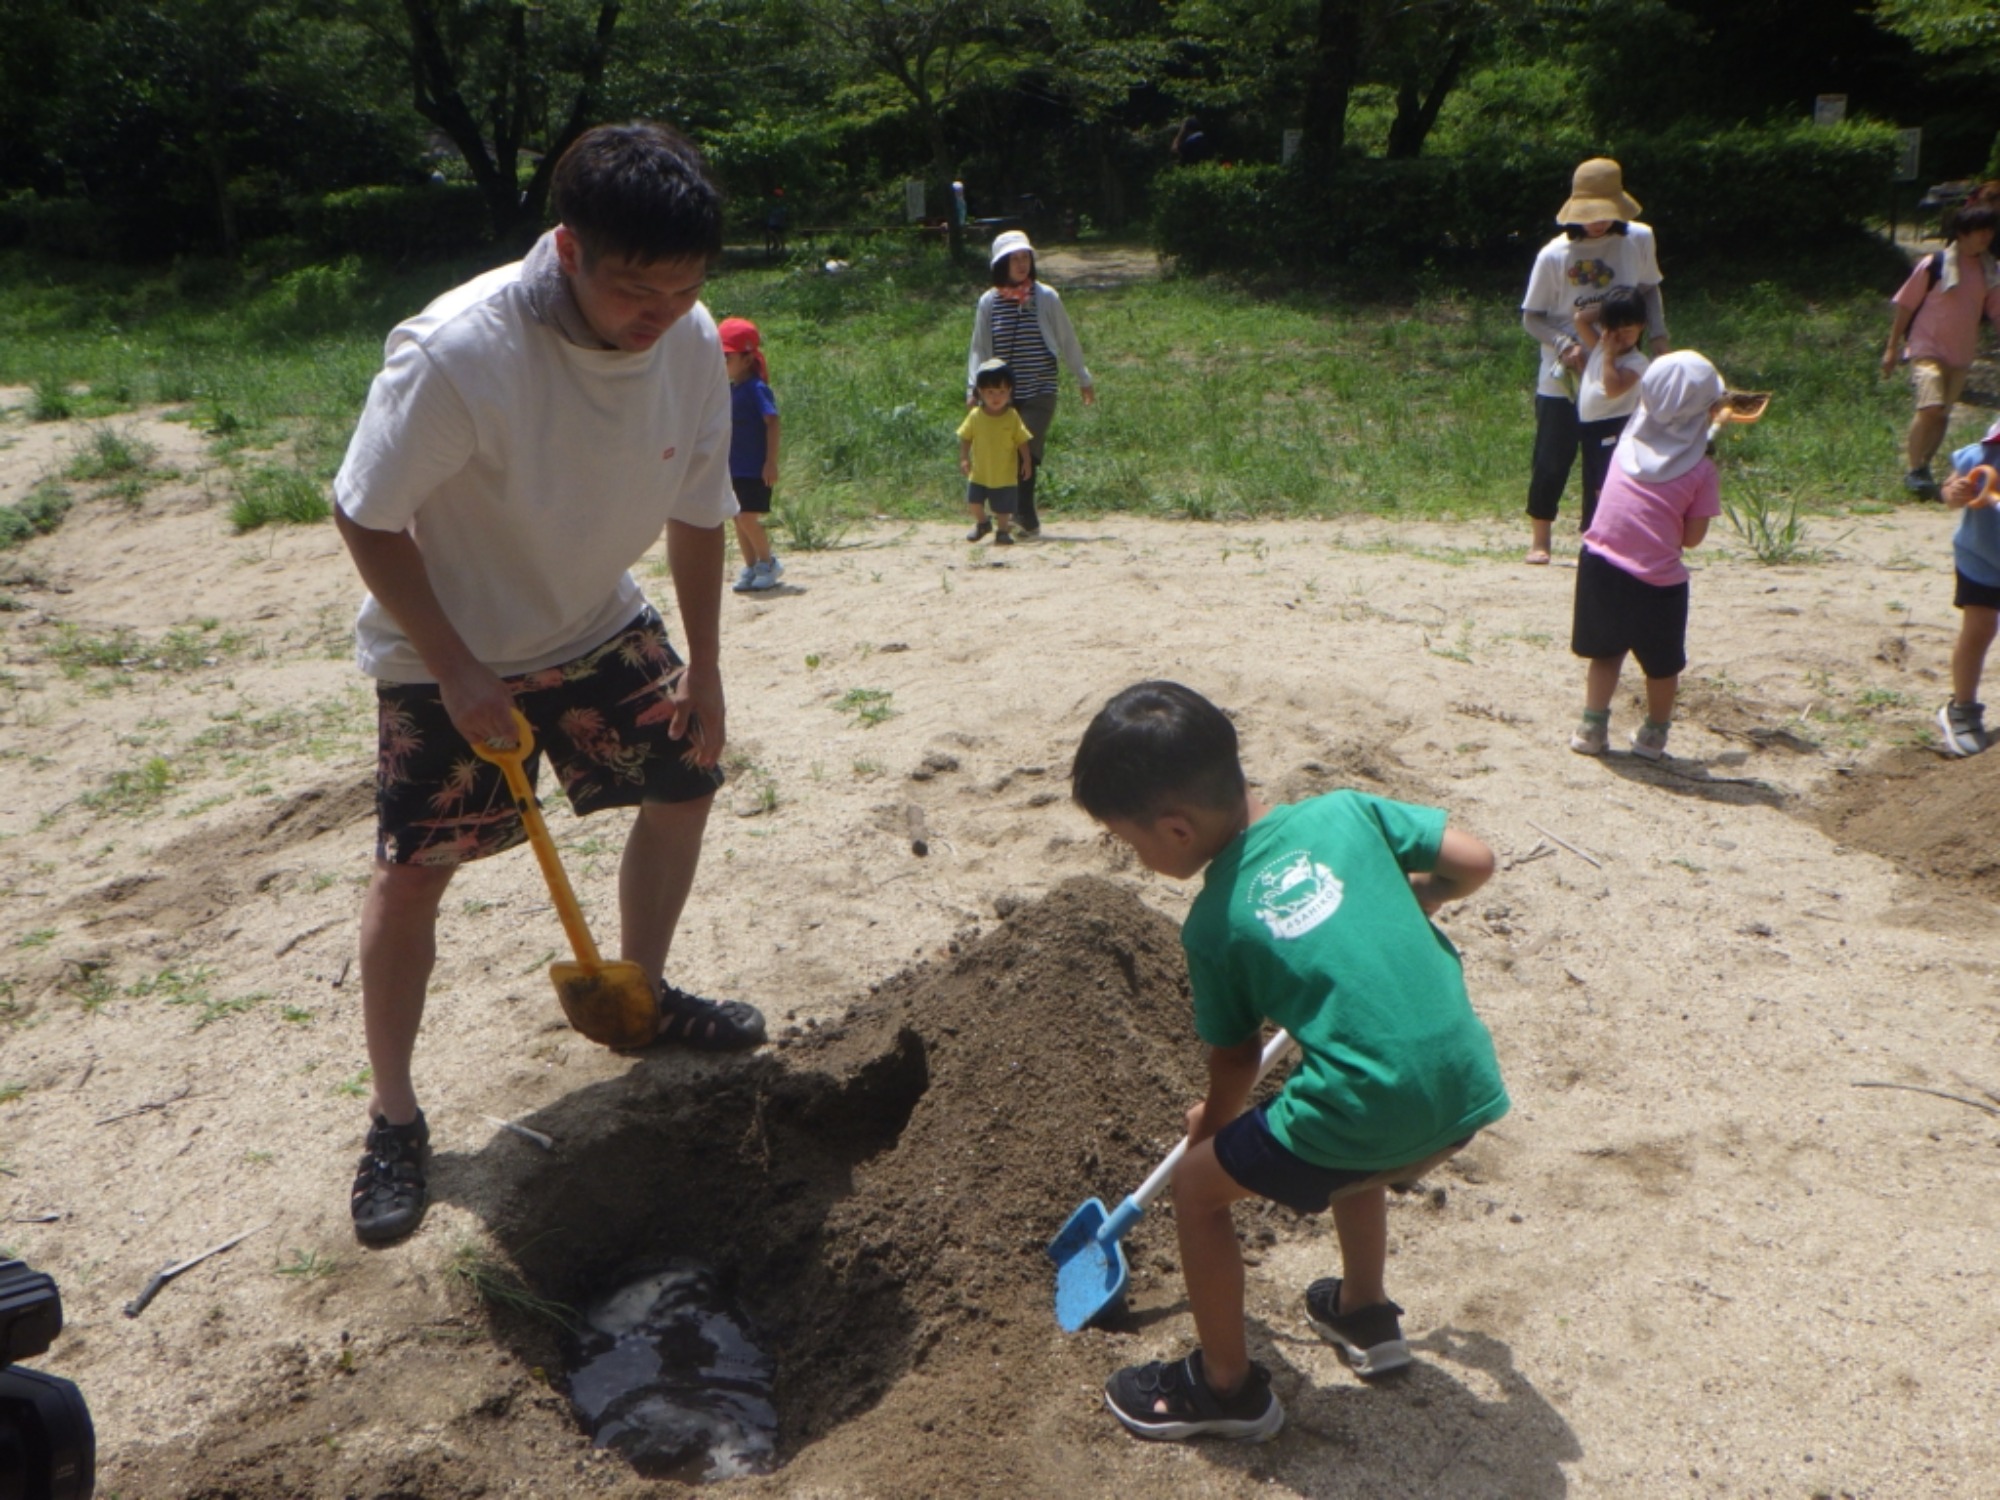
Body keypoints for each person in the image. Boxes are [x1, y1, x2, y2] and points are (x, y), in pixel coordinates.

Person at [332, 121, 767, 1248]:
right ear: (568, 248)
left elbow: (697, 510)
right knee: (414, 873)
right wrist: (459, 669)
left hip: (590, 618)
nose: (660, 312)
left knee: (688, 776)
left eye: (684, 289)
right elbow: (365, 514)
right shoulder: (457, 353)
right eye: (635, 285)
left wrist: (707, 666)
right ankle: (392, 1117)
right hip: (446, 645)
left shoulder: (681, 343)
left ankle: (642, 992)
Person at [1070, 682, 1509, 1443]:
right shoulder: (1345, 810)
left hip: (1370, 1110)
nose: (1135, 858)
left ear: (1176, 830)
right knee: (1347, 1126)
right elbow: (1475, 860)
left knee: (1199, 1190)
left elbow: (1237, 1056)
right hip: (1465, 1091)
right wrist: (1422, 897)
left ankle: (1225, 1389)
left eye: (1130, 843)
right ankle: (1363, 1314)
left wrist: (1210, 1125)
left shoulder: (1214, 923)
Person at [1567, 352, 1729, 761]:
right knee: (1662, 667)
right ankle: (1653, 736)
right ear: (1706, 412)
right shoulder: (1701, 471)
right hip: (1655, 584)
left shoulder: (1627, 441)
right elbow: (1692, 539)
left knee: (1606, 654)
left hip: (1599, 565)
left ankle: (1591, 727)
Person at [1521, 158, 1670, 565]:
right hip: (1565, 373)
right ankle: (1541, 538)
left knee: (1608, 460)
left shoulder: (1638, 239)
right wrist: (1564, 345)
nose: (1599, 223)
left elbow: (1650, 291)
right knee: (1552, 456)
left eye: (1606, 213)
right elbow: (1531, 318)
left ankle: (1599, 535)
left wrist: (1658, 337)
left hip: (1620, 371)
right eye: (1590, 215)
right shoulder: (1555, 255)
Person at [966, 230, 1094, 538]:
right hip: (1000, 395)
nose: (1021, 264)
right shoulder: (989, 302)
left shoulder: (1046, 297)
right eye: (1014, 259)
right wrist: (973, 387)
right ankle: (1017, 515)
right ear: (1001, 264)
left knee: (1028, 448)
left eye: (1025, 257)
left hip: (1040, 389)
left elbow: (1067, 339)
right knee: (1006, 452)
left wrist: (1083, 377)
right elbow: (978, 347)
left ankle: (1026, 514)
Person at [1881, 203, 2000, 501]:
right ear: (1962, 233)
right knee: (1930, 407)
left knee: (1943, 414)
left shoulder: (1991, 271)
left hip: (1960, 354)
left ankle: (1923, 471)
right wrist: (1892, 347)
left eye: (1990, 229)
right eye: (1980, 230)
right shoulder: (1934, 264)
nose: (1987, 235)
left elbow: (1997, 312)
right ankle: (1913, 468)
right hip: (1926, 346)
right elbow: (1906, 305)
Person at [1934, 416, 2000, 755]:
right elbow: (1949, 490)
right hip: (1981, 558)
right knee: (1979, 629)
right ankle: (1962, 708)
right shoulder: (1981, 457)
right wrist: (1955, 493)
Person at [1572, 284, 1652, 529]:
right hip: (1590, 429)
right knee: (1592, 482)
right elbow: (1579, 319)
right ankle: (1593, 530)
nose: (1619, 336)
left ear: (1641, 327)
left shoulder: (1637, 361)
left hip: (1614, 427)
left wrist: (1608, 354)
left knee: (1606, 484)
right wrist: (1607, 309)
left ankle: (1611, 531)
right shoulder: (1600, 346)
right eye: (1613, 329)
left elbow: (1613, 388)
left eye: (1627, 330)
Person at [719, 316, 783, 592]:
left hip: (754, 467)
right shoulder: (730, 390)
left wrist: (770, 462)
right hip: (733, 467)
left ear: (746, 359)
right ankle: (751, 565)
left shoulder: (757, 389)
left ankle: (768, 563)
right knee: (736, 517)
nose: (720, 363)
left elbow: (773, 421)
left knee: (747, 517)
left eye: (726, 357)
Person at [957, 358, 1034, 544]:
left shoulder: (1012, 416)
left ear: (1010, 392)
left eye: (1002, 391)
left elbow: (1021, 439)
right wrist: (964, 458)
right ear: (980, 393)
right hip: (980, 471)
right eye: (990, 392)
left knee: (1003, 508)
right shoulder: (975, 416)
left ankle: (1002, 531)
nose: (996, 397)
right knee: (974, 502)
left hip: (1004, 473)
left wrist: (1026, 461)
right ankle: (983, 523)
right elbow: (966, 437)